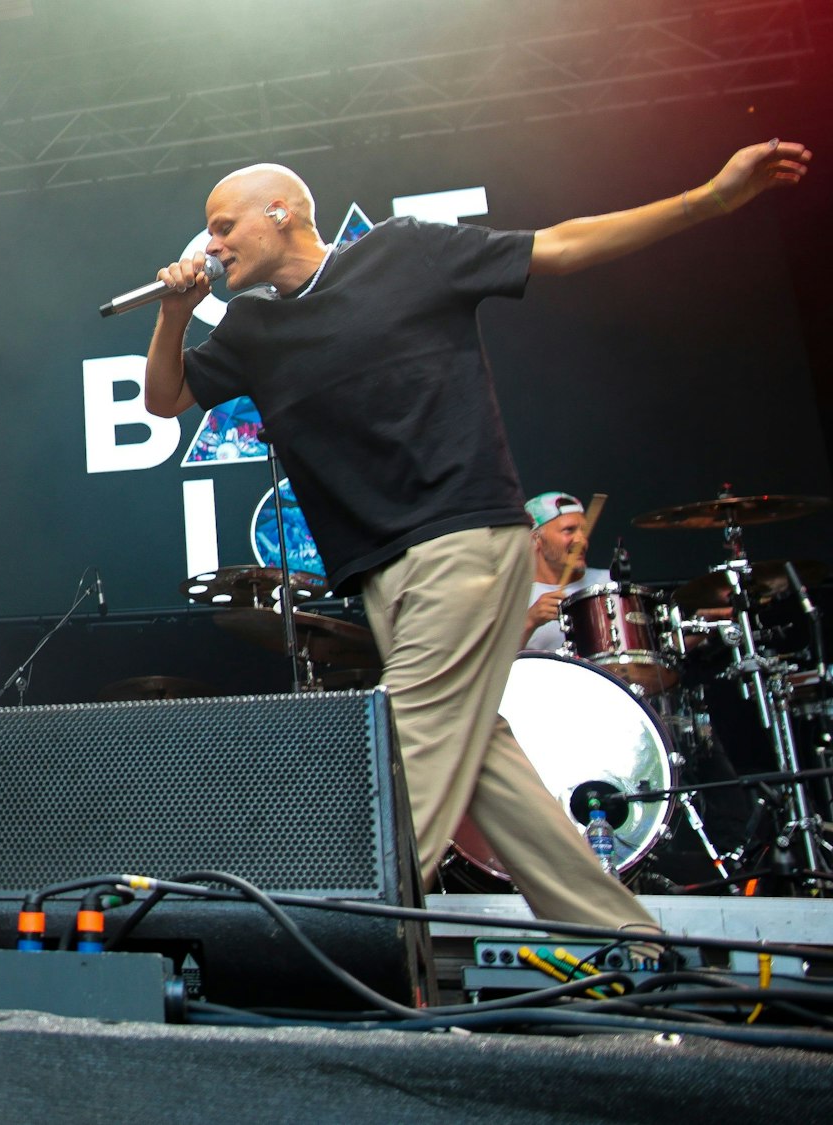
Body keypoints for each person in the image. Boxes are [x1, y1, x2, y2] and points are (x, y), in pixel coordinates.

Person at [141, 139, 809, 934]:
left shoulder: (406, 252)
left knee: (405, 761)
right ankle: (628, 941)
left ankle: (343, 944)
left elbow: (558, 247)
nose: (210, 243)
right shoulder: (253, 329)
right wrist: (175, 310)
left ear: (279, 213)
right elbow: (164, 397)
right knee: (486, 766)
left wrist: (709, 198)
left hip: (458, 537)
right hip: (381, 571)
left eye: (222, 225)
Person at [521, 491, 608, 651]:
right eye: (569, 530)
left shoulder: (608, 583)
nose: (581, 540)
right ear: (535, 539)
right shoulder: (514, 597)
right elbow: (492, 663)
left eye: (584, 530)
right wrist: (530, 621)